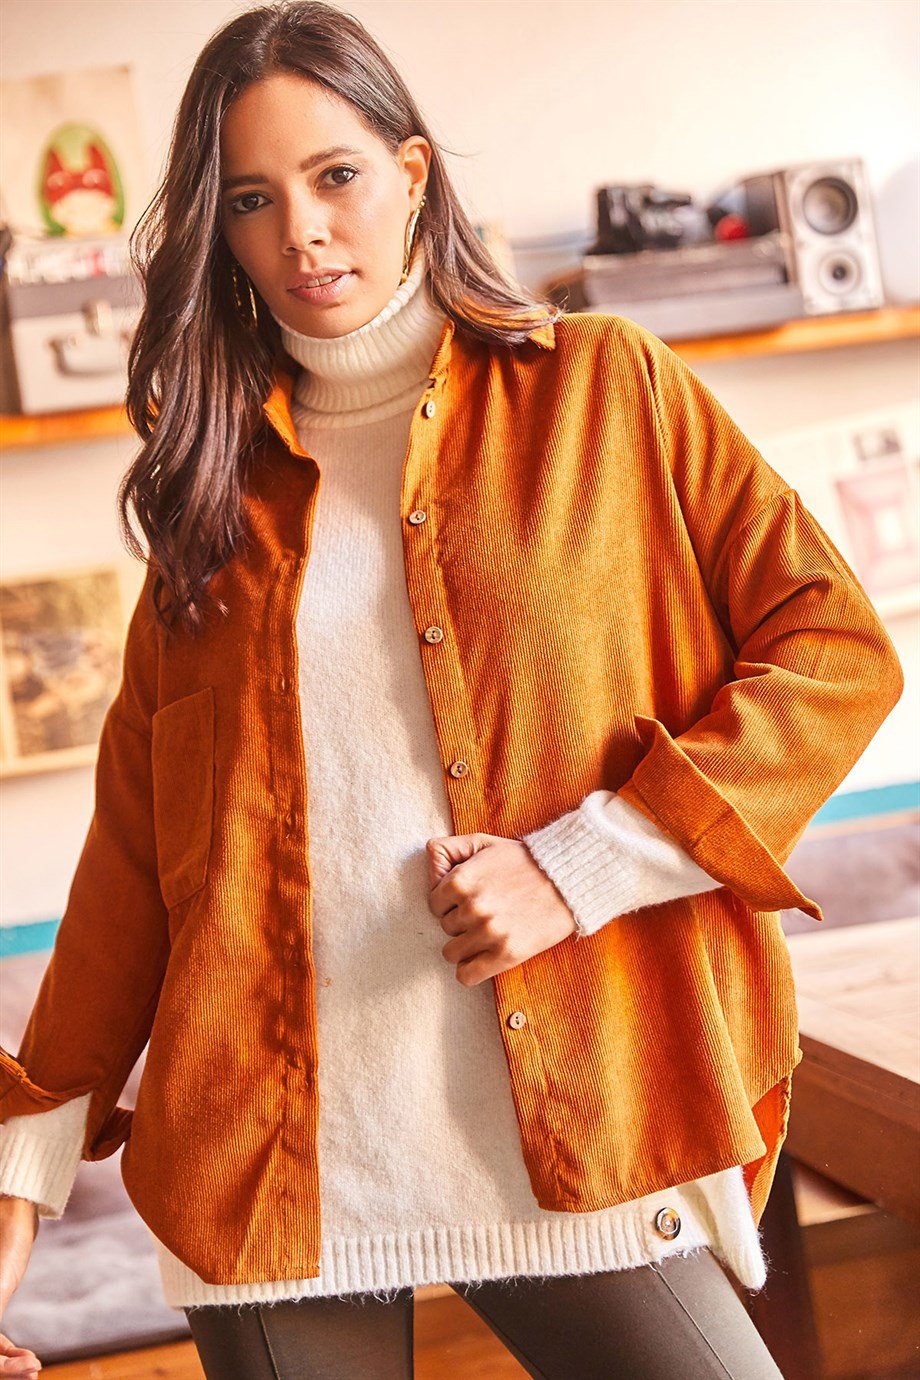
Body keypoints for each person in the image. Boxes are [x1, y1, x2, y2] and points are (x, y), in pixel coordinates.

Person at [0, 3, 904, 1378]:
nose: (301, 230)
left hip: (588, 1118)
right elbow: (136, 859)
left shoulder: (608, 392)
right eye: (252, 199)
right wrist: (22, 1166)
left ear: (413, 175)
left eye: (336, 176)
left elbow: (836, 649)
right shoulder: (211, 505)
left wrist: (585, 861)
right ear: (221, 232)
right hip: (270, 1175)